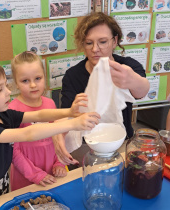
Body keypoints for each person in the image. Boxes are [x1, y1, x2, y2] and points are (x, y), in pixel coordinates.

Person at [0, 58, 100, 209]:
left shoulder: (4, 114)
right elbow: (28, 133)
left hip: (1, 183)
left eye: (6, 85)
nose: (8, 92)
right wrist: (73, 123)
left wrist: (69, 112)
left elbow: (39, 115)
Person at [53, 12, 149, 166]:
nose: (95, 49)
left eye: (102, 42)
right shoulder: (73, 75)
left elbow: (142, 91)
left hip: (121, 142)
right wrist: (59, 131)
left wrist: (132, 80)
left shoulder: (126, 67)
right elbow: (66, 114)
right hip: (87, 145)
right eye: (89, 43)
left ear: (114, 41)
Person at [8, 51, 67, 191]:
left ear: (44, 77)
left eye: (38, 78)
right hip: (25, 174)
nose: (33, 85)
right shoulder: (12, 109)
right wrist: (35, 174)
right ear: (16, 83)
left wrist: (58, 163)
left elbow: (56, 137)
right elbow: (13, 152)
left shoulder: (50, 104)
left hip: (51, 171)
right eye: (25, 81)